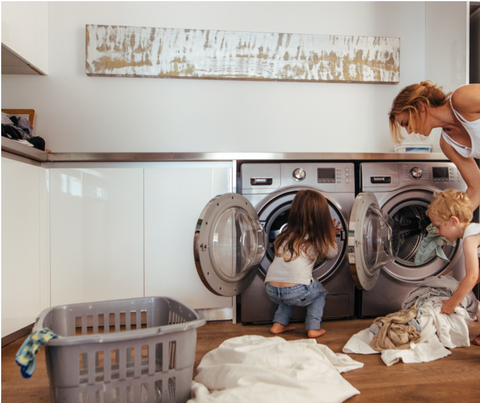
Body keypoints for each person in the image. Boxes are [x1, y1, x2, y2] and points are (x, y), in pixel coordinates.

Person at [389, 82, 480, 209]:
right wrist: (455, 221)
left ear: (420, 106)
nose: (409, 131)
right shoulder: (448, 144)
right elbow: (476, 187)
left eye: (406, 123)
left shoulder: (461, 98)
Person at [264, 189, 340, 338]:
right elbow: (332, 253)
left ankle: (278, 324)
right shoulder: (317, 237)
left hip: (271, 288)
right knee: (319, 293)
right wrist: (330, 235)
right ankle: (313, 327)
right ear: (322, 217)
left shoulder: (285, 234)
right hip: (296, 290)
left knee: (289, 287)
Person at [426, 188, 480, 346]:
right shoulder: (475, 230)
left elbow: (472, 277)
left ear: (454, 221)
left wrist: (451, 304)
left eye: (438, 226)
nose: (437, 231)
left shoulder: (470, 239)